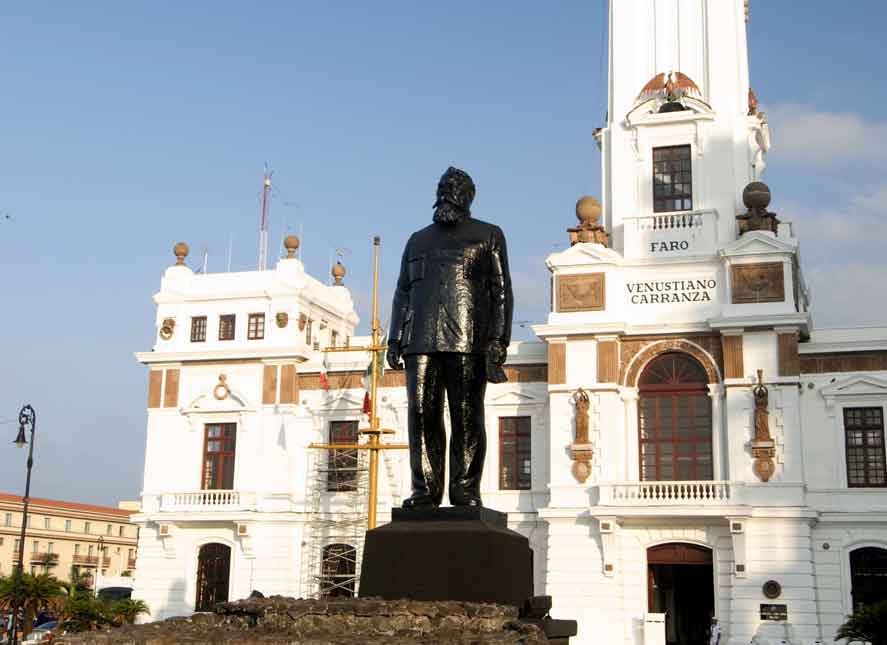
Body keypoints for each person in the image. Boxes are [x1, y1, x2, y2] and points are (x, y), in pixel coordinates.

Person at [388, 167, 514, 509]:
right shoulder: (417, 240)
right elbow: (402, 291)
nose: (446, 191)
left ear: (468, 196)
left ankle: (465, 490)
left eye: (454, 187)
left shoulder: (488, 235)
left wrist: (499, 339)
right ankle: (424, 491)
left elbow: (501, 291)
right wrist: (394, 338)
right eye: (442, 186)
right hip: (420, 341)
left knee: (466, 416)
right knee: (421, 416)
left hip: (468, 341)